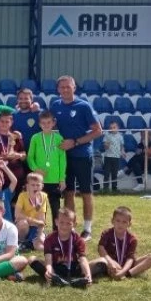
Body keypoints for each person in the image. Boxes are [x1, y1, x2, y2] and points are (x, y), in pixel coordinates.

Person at [50, 75, 102, 240]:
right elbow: (48, 124)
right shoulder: (55, 105)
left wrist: (75, 142)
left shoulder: (83, 106)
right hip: (63, 156)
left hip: (82, 155)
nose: (65, 90)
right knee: (68, 192)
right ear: (58, 89)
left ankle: (87, 229)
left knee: (86, 192)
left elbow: (97, 131)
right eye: (62, 87)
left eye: (68, 86)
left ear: (74, 88)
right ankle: (70, 227)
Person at [28, 208, 94, 287]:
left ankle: (81, 279)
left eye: (68, 223)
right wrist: (49, 271)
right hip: (56, 268)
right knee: (32, 259)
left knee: (101, 262)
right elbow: (48, 261)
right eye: (61, 222)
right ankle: (55, 278)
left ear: (74, 224)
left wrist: (88, 274)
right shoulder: (49, 239)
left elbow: (83, 259)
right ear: (56, 222)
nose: (64, 226)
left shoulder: (78, 239)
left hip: (74, 268)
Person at [93, 206, 151, 280]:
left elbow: (130, 259)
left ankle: (126, 274)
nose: (120, 224)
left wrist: (123, 271)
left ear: (129, 224)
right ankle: (122, 273)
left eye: (124, 222)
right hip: (111, 264)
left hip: (127, 265)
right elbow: (101, 248)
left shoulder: (132, 239)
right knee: (102, 262)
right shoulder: (106, 233)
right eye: (118, 221)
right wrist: (110, 262)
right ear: (112, 221)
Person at [27, 110, 66, 229]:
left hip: (54, 179)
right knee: (39, 207)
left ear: (53, 123)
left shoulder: (59, 138)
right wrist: (36, 169)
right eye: (43, 123)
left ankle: (56, 231)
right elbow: (30, 157)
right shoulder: (35, 138)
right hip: (39, 180)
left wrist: (62, 179)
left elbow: (62, 160)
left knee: (55, 207)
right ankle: (39, 232)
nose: (46, 125)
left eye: (49, 122)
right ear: (39, 124)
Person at [0, 111, 27, 192]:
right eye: (2, 121)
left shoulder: (16, 137)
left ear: (11, 123)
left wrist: (18, 155)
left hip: (17, 174)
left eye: (7, 122)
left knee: (17, 198)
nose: (4, 124)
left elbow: (24, 156)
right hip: (0, 177)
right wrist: (2, 158)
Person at [14, 173, 48, 252]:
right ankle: (21, 243)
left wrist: (40, 235)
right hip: (24, 225)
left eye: (38, 185)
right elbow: (17, 215)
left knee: (39, 246)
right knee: (23, 223)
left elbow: (42, 220)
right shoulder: (22, 196)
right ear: (27, 186)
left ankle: (32, 244)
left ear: (42, 186)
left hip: (36, 227)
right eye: (32, 185)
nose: (35, 187)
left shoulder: (43, 196)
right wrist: (34, 221)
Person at [101, 121, 123, 193]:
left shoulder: (120, 136)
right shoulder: (107, 135)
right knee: (106, 173)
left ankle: (114, 188)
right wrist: (107, 144)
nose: (112, 129)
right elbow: (105, 147)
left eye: (114, 127)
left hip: (116, 157)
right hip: (108, 157)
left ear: (117, 128)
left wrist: (123, 152)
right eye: (111, 128)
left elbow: (121, 145)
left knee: (114, 173)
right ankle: (105, 188)